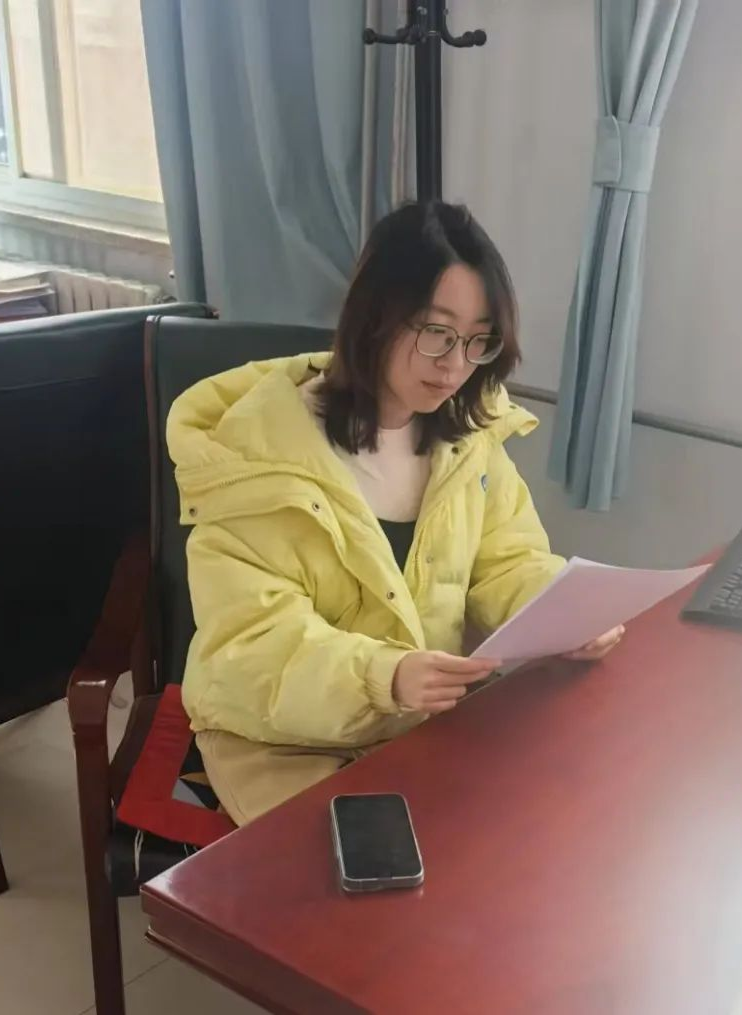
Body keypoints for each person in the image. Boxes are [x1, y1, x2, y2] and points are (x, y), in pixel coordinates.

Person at [167, 201, 623, 825]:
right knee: (362, 875)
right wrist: (382, 677)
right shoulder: (256, 460)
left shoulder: (468, 443)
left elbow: (507, 561)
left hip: (421, 720)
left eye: (478, 340)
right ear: (376, 317)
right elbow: (252, 646)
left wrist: (564, 610)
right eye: (436, 332)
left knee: (550, 821)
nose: (455, 364)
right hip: (283, 741)